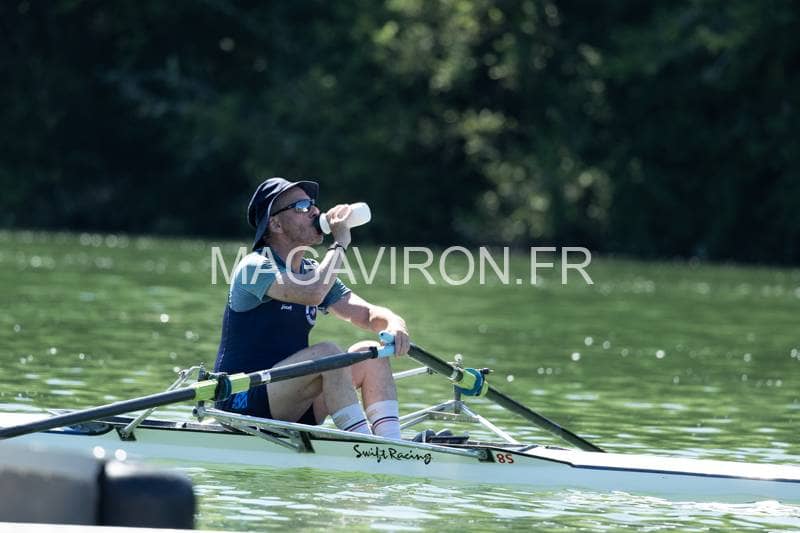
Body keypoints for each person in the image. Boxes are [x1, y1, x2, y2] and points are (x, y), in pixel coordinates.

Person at [213, 177, 410, 439]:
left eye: (313, 204)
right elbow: (313, 293)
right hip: (243, 400)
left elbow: (367, 314)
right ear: (276, 224)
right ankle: (363, 443)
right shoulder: (254, 266)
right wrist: (340, 242)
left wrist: (395, 324)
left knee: (370, 354)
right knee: (328, 352)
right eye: (302, 207)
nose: (315, 211)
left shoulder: (312, 271)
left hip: (293, 402)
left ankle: (390, 443)